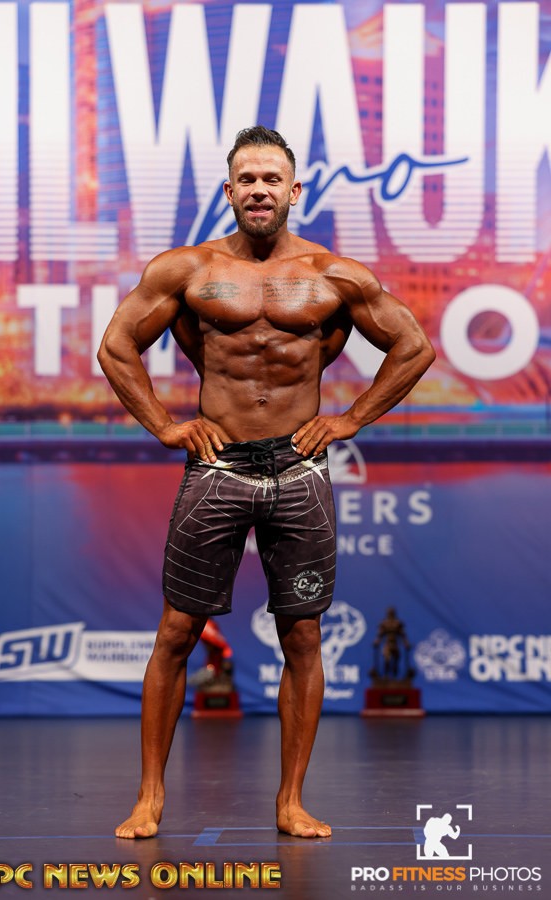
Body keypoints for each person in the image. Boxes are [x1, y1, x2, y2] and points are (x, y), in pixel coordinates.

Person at [98, 125, 435, 840]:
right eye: (247, 179)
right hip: (217, 466)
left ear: (294, 190)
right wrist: (164, 425)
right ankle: (149, 796)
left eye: (271, 179)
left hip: (299, 469)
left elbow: (413, 347)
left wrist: (351, 418)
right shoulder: (187, 270)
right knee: (177, 630)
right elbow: (117, 345)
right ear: (229, 191)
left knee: (303, 636)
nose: (259, 190)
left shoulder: (334, 275)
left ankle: (291, 802)